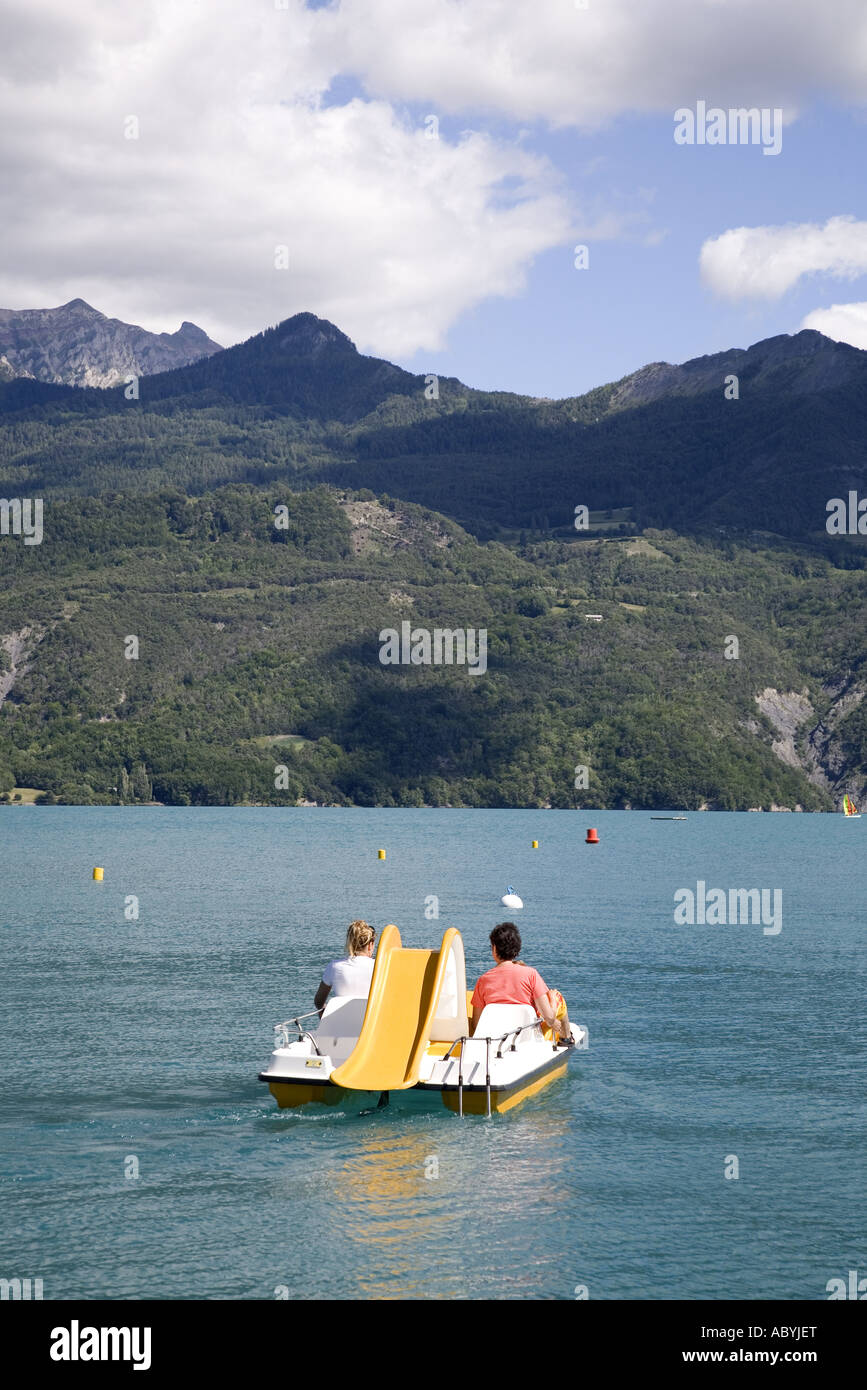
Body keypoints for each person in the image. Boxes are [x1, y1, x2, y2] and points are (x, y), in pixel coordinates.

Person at [470, 922, 573, 1044]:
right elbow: (549, 1017)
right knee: (556, 996)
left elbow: (476, 1024)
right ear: (517, 949)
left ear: (494, 949)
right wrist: (552, 1003)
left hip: (495, 1039)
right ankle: (566, 1039)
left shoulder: (483, 980)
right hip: (527, 1038)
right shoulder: (531, 975)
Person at [314, 920, 376, 1014]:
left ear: (350, 942)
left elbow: (319, 1001)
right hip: (371, 1026)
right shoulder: (380, 967)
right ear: (370, 945)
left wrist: (325, 1020)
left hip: (339, 1027)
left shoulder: (334, 967)